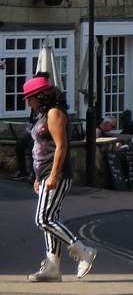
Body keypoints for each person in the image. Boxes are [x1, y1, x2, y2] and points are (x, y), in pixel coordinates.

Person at [23, 75, 97, 282]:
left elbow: (61, 146)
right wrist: (38, 177)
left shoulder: (54, 113)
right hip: (45, 173)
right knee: (51, 219)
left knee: (43, 219)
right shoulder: (45, 114)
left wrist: (53, 174)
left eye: (31, 98)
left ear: (41, 96)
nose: (29, 103)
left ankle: (83, 251)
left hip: (57, 174)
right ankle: (53, 267)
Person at [10, 71, 48, 182]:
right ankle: (22, 171)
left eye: (29, 100)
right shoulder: (34, 103)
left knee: (33, 145)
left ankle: (34, 173)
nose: (29, 103)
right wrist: (29, 128)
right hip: (33, 130)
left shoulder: (48, 106)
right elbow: (32, 119)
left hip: (42, 133)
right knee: (19, 144)